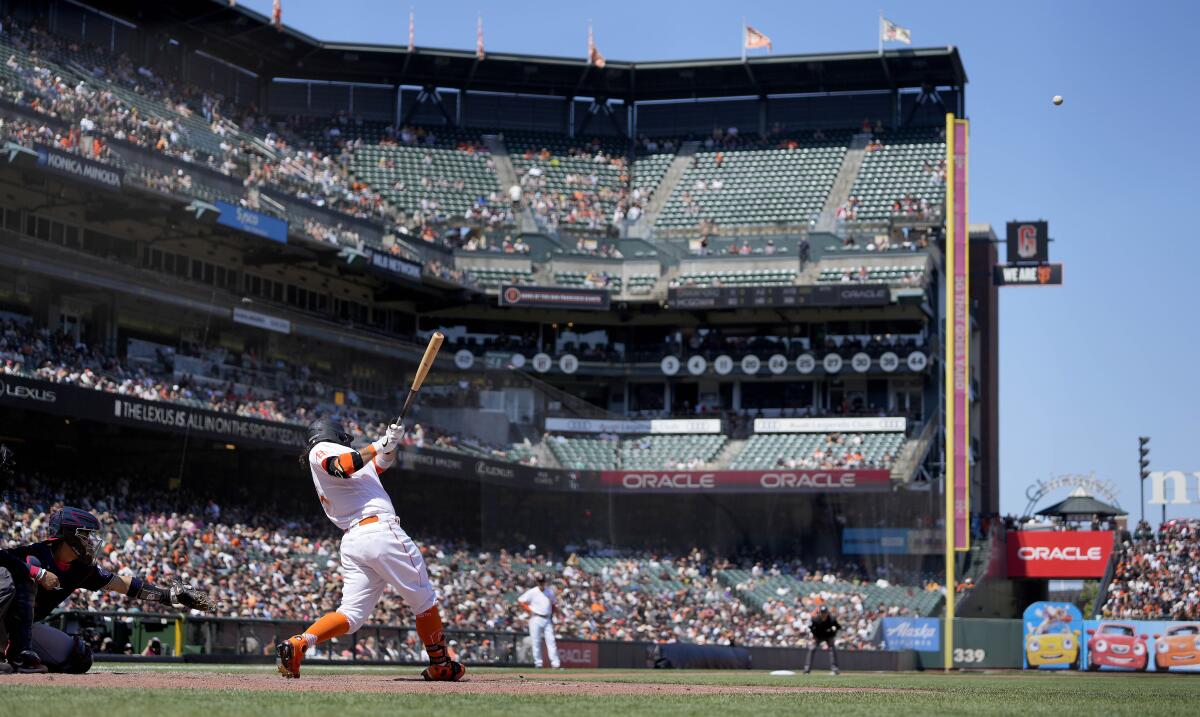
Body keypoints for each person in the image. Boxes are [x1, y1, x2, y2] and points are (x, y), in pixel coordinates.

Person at [276, 417, 464, 681]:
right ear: (334, 434)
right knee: (424, 600)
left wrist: (391, 443)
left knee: (351, 615)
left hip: (356, 540)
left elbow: (379, 464)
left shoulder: (345, 457)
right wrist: (378, 443)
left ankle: (300, 643)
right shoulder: (322, 450)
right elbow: (342, 466)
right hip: (379, 531)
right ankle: (441, 663)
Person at [0, 507, 212, 674]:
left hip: (21, 630)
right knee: (17, 573)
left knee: (79, 657)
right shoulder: (35, 554)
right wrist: (36, 572)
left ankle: (16, 654)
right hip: (4, 623)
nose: (91, 541)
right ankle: (18, 656)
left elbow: (123, 584)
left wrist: (168, 596)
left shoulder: (81, 569)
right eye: (85, 535)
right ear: (69, 535)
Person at [517, 572, 561, 669]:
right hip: (535, 618)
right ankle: (538, 663)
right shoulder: (533, 591)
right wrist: (530, 610)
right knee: (536, 641)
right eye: (540, 581)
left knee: (551, 641)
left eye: (543, 581)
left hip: (547, 618)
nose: (541, 583)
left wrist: (554, 614)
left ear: (545, 582)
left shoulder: (549, 592)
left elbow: (554, 604)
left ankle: (555, 664)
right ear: (537, 582)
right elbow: (520, 600)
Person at [803, 605, 841, 675]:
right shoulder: (815, 619)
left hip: (828, 636)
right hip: (818, 636)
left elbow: (838, 627)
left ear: (827, 613)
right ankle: (807, 669)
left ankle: (835, 669)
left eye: (825, 613)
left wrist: (833, 634)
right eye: (822, 613)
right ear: (819, 613)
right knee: (812, 649)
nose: (823, 614)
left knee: (832, 649)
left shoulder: (832, 619)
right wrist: (814, 637)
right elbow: (811, 628)